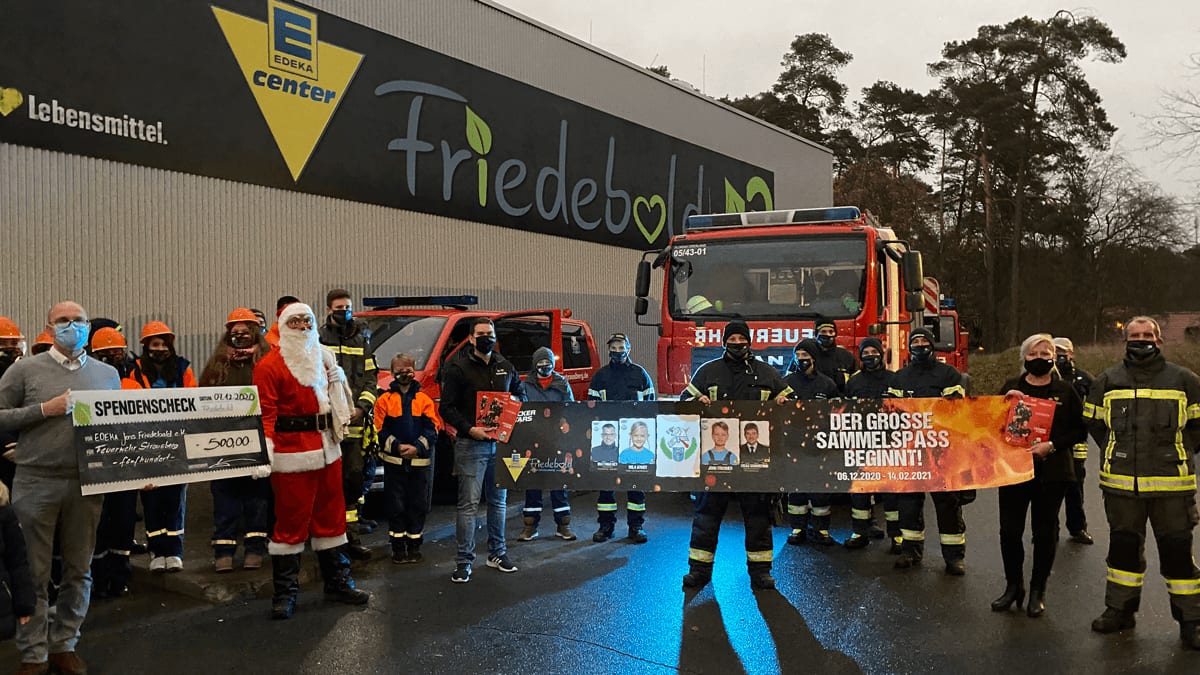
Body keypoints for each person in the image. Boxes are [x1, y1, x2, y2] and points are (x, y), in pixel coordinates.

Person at [0, 301, 120, 674]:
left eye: (79, 320)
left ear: (88, 326)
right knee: (32, 572)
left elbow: (123, 431)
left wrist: (143, 468)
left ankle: (65, 644)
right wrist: (43, 411)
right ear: (49, 328)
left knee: (78, 569)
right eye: (64, 321)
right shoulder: (24, 370)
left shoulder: (106, 375)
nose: (73, 326)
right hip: (36, 481)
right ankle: (33, 652)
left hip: (87, 484)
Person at [1083, 316, 1200, 649]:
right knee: (1122, 554)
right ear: (1125, 341)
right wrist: (1115, 450)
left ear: (1159, 340)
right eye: (1134, 335)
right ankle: (1119, 610)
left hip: (1171, 489)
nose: (1141, 340)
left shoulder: (1185, 380)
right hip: (1121, 487)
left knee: (1177, 555)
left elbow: (1197, 428)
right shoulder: (1107, 380)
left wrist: (1176, 453)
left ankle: (1192, 621)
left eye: (1148, 335)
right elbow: (1093, 423)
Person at [255, 302, 370, 620]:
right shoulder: (269, 366)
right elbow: (266, 414)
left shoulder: (325, 356)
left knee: (332, 519)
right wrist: (265, 453)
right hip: (291, 456)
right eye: (296, 321)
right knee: (290, 525)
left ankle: (338, 582)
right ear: (284, 325)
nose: (304, 326)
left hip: (328, 451)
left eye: (308, 320)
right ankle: (285, 593)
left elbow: (339, 397)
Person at [681, 320, 791, 591]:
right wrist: (696, 403)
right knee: (707, 515)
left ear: (749, 341)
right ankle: (699, 571)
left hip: (755, 461)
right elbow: (683, 402)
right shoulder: (708, 372)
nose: (738, 343)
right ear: (724, 341)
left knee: (758, 517)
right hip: (716, 460)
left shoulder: (767, 374)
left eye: (742, 338)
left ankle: (760, 572)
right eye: (733, 338)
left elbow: (793, 408)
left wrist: (784, 405)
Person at [992, 334, 1087, 618]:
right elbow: (990, 423)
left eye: (1046, 353)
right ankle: (1013, 587)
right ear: (1024, 358)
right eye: (1033, 353)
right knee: (1009, 532)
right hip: (1013, 470)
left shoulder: (1066, 391)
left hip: (1053, 472)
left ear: (1054, 358)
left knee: (1044, 533)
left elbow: (1080, 430)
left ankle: (1037, 591)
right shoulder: (1011, 387)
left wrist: (1053, 445)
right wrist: (1004, 405)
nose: (1040, 358)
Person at [439, 317, 523, 583]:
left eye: (490, 333)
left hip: (500, 445)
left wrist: (515, 405)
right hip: (470, 444)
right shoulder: (457, 368)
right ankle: (464, 561)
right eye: (481, 334)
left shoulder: (505, 366)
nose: (486, 338)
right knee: (468, 506)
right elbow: (446, 408)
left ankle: (497, 553)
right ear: (472, 339)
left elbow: (521, 395)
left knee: (498, 503)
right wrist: (469, 429)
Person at [887, 328, 969, 575]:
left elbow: (956, 409)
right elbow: (892, 412)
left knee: (947, 505)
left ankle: (954, 557)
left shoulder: (948, 374)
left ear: (932, 345)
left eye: (924, 342)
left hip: (941, 450)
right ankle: (910, 552)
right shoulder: (900, 378)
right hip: (911, 450)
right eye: (916, 342)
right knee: (909, 505)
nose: (920, 345)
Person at [198, 309, 273, 573]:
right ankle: (223, 551)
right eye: (235, 332)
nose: (240, 336)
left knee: (257, 499)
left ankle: (255, 549)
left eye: (245, 331)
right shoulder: (216, 366)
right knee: (225, 498)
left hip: (258, 439)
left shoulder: (268, 362)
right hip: (224, 441)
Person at [125, 321, 197, 573]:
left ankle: (174, 550)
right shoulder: (133, 370)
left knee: (175, 497)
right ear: (146, 346)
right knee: (151, 497)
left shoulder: (182, 368)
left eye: (165, 343)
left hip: (177, 441)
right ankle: (157, 550)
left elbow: (193, 398)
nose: (161, 348)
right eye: (155, 344)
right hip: (146, 441)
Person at [318, 289, 378, 561]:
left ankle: (350, 538)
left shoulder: (360, 338)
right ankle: (327, 540)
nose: (345, 311)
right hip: (327, 426)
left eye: (348, 307)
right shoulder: (319, 339)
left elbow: (370, 379)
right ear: (329, 309)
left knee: (352, 479)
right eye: (340, 307)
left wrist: (361, 408)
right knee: (327, 482)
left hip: (354, 425)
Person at [86, 327, 141, 599]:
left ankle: (119, 577)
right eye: (104, 354)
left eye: (116, 352)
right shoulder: (84, 383)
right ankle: (98, 579)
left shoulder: (134, 381)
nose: (112, 357)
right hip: (97, 466)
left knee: (123, 522)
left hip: (128, 467)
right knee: (99, 524)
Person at [588, 333, 655, 544]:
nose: (617, 351)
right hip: (607, 439)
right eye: (614, 347)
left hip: (633, 440)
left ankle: (636, 527)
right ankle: (605, 527)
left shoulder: (640, 375)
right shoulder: (600, 376)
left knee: (635, 484)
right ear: (609, 349)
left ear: (629, 349)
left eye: (621, 346)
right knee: (606, 485)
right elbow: (592, 407)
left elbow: (650, 405)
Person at [373, 354, 440, 564]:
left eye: (408, 368)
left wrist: (417, 447)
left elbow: (433, 428)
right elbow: (378, 429)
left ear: (414, 370)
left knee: (417, 506)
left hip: (419, 465)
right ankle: (398, 549)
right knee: (396, 507)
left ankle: (414, 546)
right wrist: (397, 446)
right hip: (394, 465)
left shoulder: (424, 400)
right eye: (400, 369)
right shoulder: (384, 400)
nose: (404, 373)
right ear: (392, 373)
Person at [843, 337, 899, 551]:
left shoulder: (894, 380)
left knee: (891, 495)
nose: (869, 356)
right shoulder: (853, 383)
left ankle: (897, 538)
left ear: (881, 354)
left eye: (873, 352)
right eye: (865, 353)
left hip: (889, 445)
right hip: (860, 444)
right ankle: (860, 532)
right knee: (859, 492)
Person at [517, 347, 577, 542]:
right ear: (535, 365)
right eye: (540, 363)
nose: (545, 367)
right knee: (532, 483)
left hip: (556, 440)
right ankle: (530, 526)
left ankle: (563, 525)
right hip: (533, 440)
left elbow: (570, 408)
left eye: (548, 363)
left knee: (558, 483)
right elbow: (520, 409)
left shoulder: (562, 383)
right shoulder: (525, 385)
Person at [784, 338, 839, 546]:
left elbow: (837, 414)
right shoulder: (787, 384)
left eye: (805, 356)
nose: (801, 360)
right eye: (797, 356)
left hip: (820, 445)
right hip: (794, 444)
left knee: (820, 490)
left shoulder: (827, 384)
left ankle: (821, 529)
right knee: (796, 489)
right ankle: (797, 529)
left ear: (813, 358)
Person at [1053, 336, 1095, 545]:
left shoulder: (1084, 379)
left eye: (1063, 351)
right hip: (1050, 443)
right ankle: (1047, 530)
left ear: (1071, 354)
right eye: (1055, 351)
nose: (1059, 355)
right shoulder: (1046, 377)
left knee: (1075, 487)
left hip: (1077, 443)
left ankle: (1077, 527)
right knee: (1048, 490)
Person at [811, 318, 857, 393]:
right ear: (815, 334)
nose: (827, 335)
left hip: (841, 402)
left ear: (835, 334)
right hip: (812, 402)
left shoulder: (847, 356)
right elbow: (791, 380)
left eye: (831, 331)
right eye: (823, 331)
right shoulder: (806, 355)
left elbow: (857, 382)